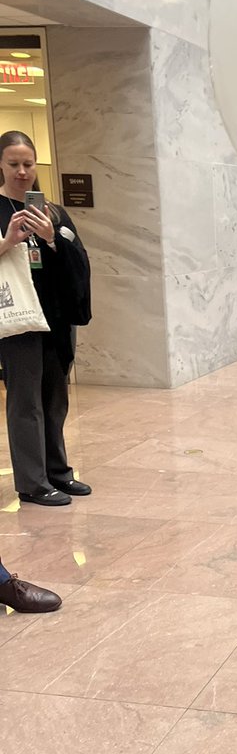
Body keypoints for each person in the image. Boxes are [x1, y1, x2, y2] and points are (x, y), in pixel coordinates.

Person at [0, 131, 92, 507]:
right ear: (0, 167)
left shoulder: (52, 210)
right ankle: (33, 483)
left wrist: (53, 238)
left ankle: (58, 473)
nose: (22, 172)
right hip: (20, 319)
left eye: (28, 164)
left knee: (55, 399)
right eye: (14, 164)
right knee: (26, 401)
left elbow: (79, 259)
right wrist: (8, 241)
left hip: (55, 318)